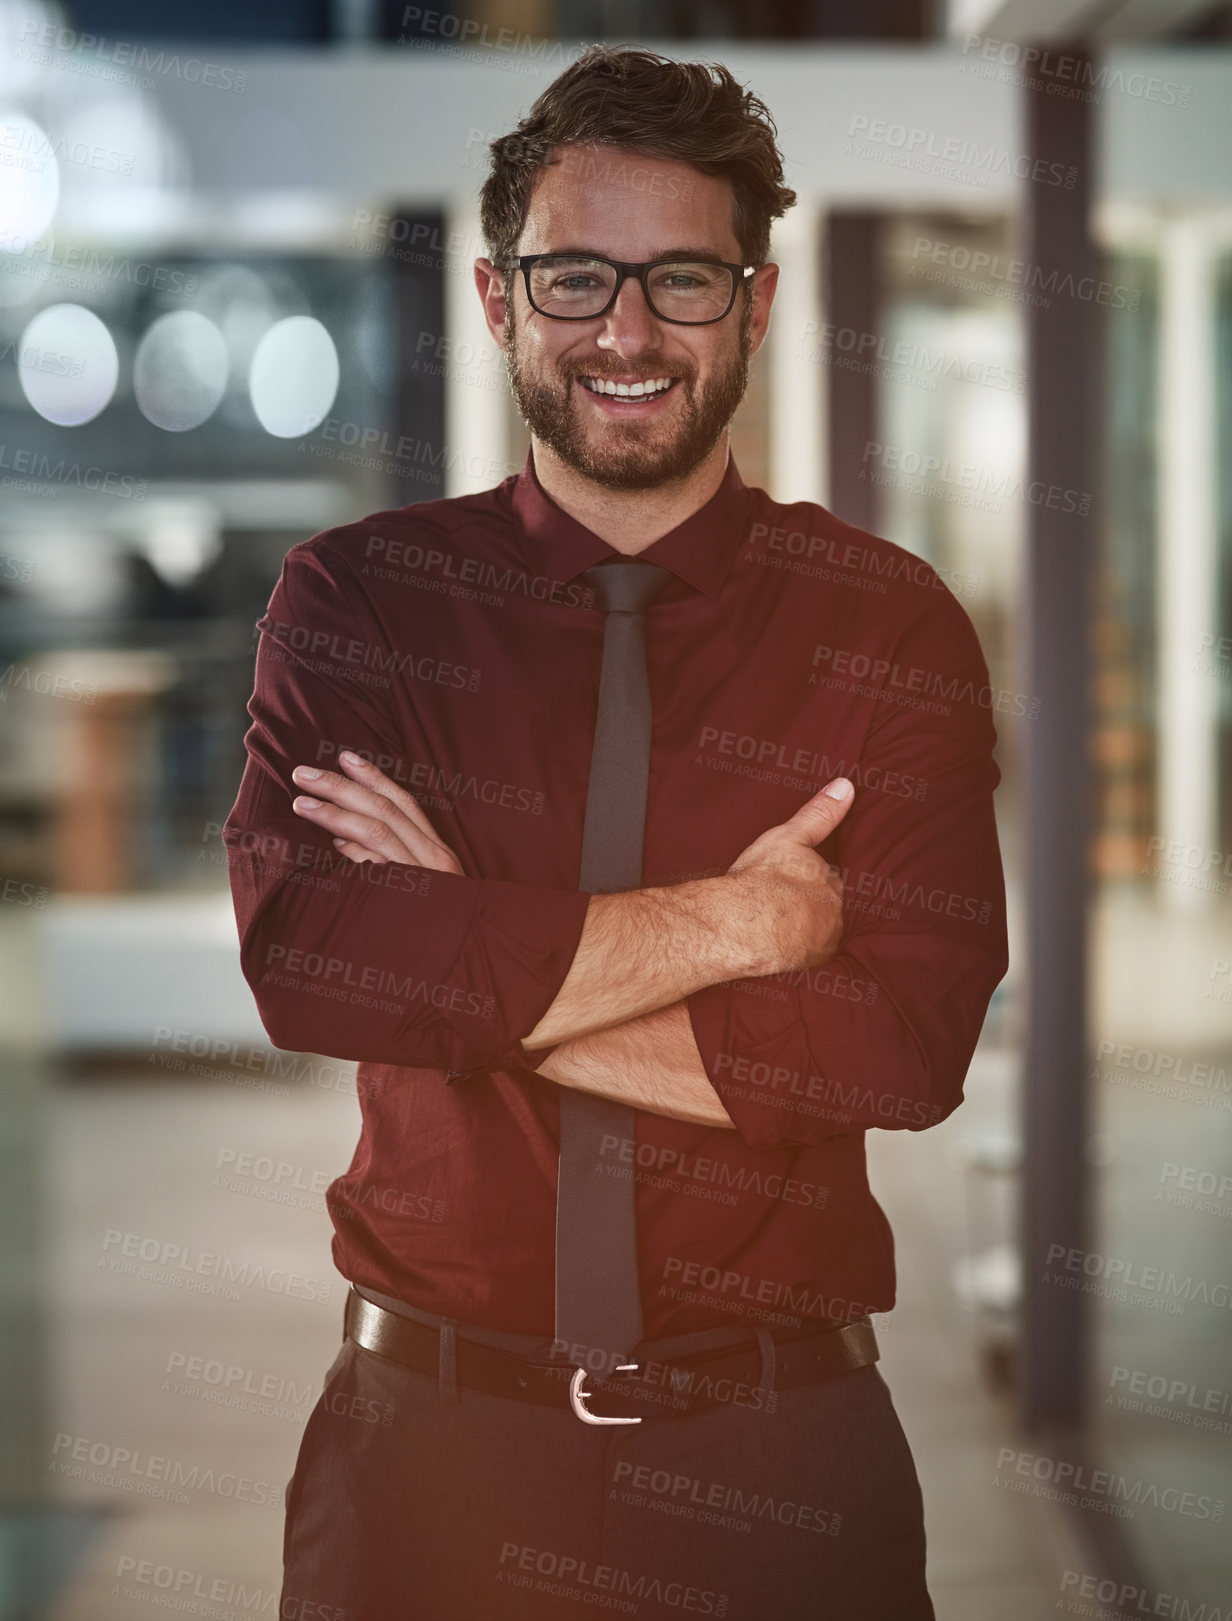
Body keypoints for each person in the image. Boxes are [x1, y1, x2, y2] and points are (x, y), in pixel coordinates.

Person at [224, 43, 1007, 1621]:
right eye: (575, 277)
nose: (628, 332)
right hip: (426, 1462)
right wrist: (740, 924)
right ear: (500, 298)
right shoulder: (360, 603)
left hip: (782, 1468)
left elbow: (896, 1049)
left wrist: (464, 938)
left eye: (683, 281)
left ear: (761, 304)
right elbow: (315, 961)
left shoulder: (891, 626)